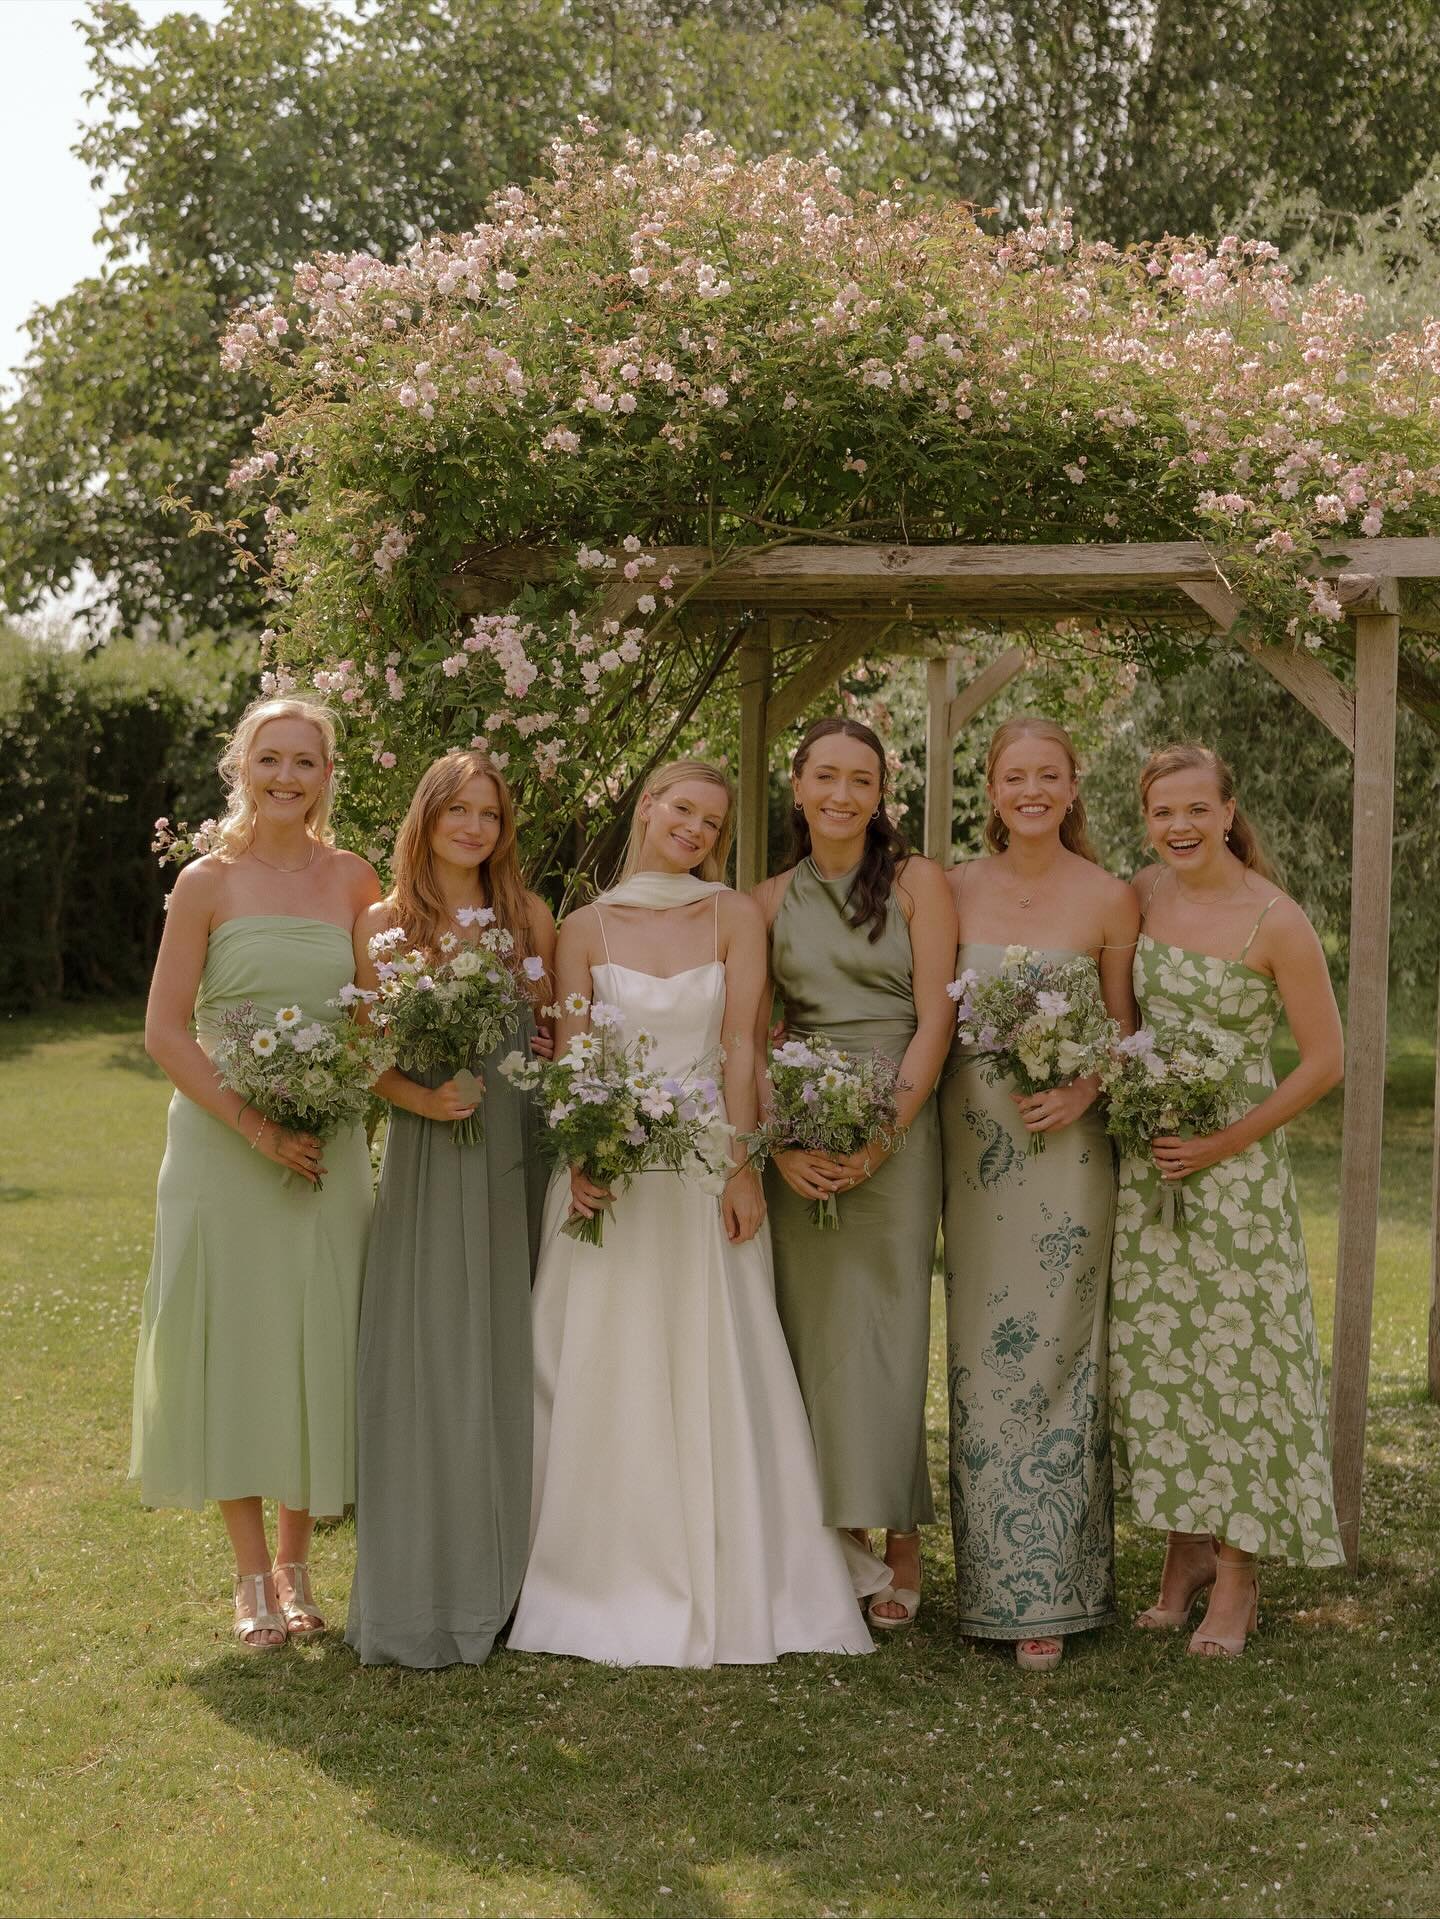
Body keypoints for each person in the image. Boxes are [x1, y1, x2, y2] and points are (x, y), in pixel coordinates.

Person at [508, 759, 882, 1666]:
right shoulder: (583, 926)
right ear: (648, 807)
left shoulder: (732, 917)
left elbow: (742, 1048)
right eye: (685, 808)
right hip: (614, 1176)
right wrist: (588, 1157)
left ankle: (741, 1564)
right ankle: (586, 1570)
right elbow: (579, 1055)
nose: (697, 830)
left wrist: (745, 1165)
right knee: (600, 1363)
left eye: (714, 823)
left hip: (707, 1168)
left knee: (719, 1359)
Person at [131, 695, 380, 1649]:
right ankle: (248, 1579)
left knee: (314, 1334)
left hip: (327, 1142)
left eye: (305, 761)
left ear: (326, 774)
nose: (286, 776)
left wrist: (324, 1101)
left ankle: (298, 1562)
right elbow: (163, 1028)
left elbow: (374, 1014)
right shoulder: (205, 881)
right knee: (232, 1341)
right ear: (242, 768)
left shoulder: (356, 880)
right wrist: (253, 1123)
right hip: (221, 1146)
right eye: (269, 758)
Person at [1111, 741, 1346, 1657]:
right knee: (1160, 1359)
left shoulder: (1275, 920)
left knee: (1240, 1365)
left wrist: (1220, 1142)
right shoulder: (1143, 893)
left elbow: (1324, 1061)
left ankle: (1239, 1574)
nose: (1179, 826)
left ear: (1227, 809)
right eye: (1162, 811)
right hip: (1153, 1166)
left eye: (1195, 809)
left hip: (1235, 1178)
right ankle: (1183, 1556)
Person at [344, 750, 555, 1667]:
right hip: (431, 1158)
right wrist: (420, 1099)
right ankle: (429, 1578)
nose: (474, 827)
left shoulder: (528, 918)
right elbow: (363, 1052)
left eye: (490, 814)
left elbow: (553, 1038)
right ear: (425, 818)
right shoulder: (384, 924)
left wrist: (543, 1035)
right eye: (457, 810)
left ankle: (517, 1581)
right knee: (431, 1360)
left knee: (513, 1357)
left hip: (516, 1154)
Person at [941, 717, 1138, 1671]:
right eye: (1013, 775)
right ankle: (985, 1582)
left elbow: (1124, 1029)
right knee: (981, 1355)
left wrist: (1085, 1085)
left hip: (1068, 1159)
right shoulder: (950, 888)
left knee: (1060, 1351)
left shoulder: (1109, 897)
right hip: (971, 1154)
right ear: (991, 789)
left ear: (1070, 788)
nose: (1030, 789)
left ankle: (1051, 1592)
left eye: (1047, 775)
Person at [754, 718, 955, 1629]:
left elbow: (935, 1022)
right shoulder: (760, 903)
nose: (842, 795)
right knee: (807, 1337)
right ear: (796, 785)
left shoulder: (919, 885)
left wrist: (881, 1140)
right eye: (825, 776)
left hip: (898, 1127)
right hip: (799, 1131)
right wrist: (782, 1143)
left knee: (890, 1333)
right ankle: (834, 1545)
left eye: (860, 780)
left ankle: (903, 1540)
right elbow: (752, 1038)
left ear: (882, 794)